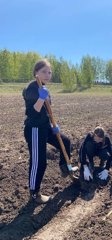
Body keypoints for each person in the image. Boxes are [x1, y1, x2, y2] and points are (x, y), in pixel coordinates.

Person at [23, 59, 77, 204]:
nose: (47, 75)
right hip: (34, 129)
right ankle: (34, 194)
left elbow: (47, 112)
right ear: (36, 73)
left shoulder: (44, 88)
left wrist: (54, 126)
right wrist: (41, 98)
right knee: (39, 162)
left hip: (45, 127)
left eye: (49, 72)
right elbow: (33, 112)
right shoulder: (31, 88)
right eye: (44, 72)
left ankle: (65, 167)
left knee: (65, 141)